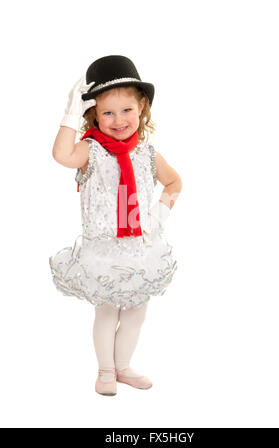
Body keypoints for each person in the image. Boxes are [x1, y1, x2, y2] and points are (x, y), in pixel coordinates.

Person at [49, 55, 182, 396]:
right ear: (92, 114)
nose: (119, 120)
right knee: (107, 313)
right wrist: (69, 113)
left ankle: (123, 366)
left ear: (142, 108)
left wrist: (158, 217)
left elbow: (174, 183)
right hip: (103, 251)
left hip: (139, 247)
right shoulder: (90, 151)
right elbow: (61, 155)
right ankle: (105, 371)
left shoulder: (147, 154)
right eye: (108, 112)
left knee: (137, 313)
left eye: (127, 110)